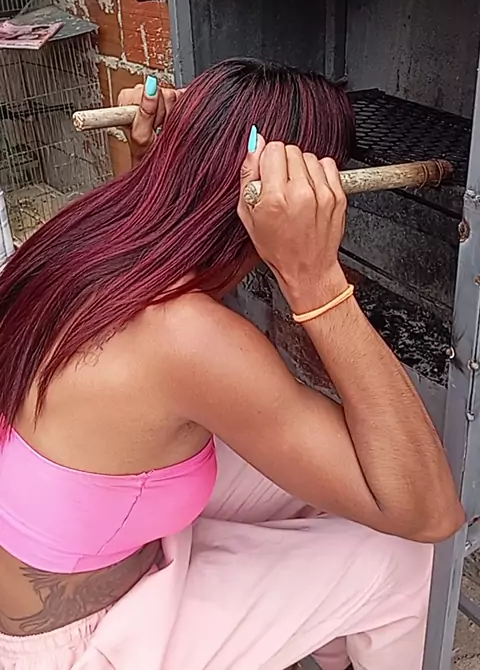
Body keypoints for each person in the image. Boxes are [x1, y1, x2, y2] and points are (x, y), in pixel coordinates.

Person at [0, 59, 464, 670]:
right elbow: (431, 513)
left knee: (336, 487)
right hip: (72, 645)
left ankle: (330, 639)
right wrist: (314, 277)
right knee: (405, 558)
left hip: (77, 544)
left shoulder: (79, 236)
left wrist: (146, 166)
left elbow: (160, 309)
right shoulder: (189, 341)